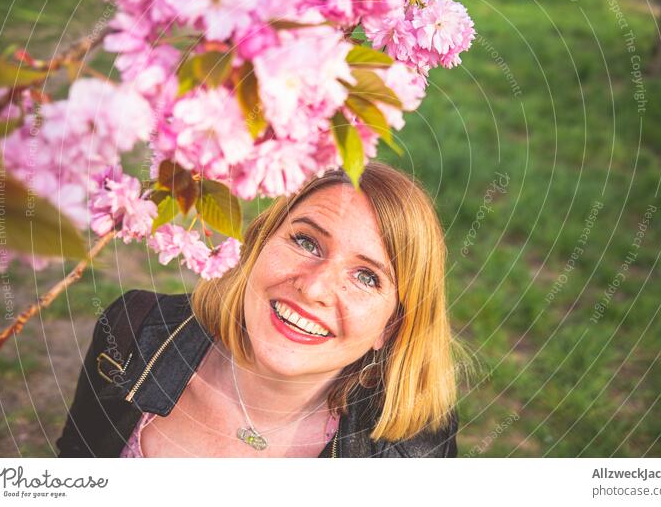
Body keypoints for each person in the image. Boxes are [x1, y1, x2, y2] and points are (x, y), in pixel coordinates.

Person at [56, 161, 461, 457]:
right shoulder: (132, 333)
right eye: (306, 242)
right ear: (260, 243)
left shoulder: (411, 453)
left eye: (367, 277)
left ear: (389, 328)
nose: (315, 287)